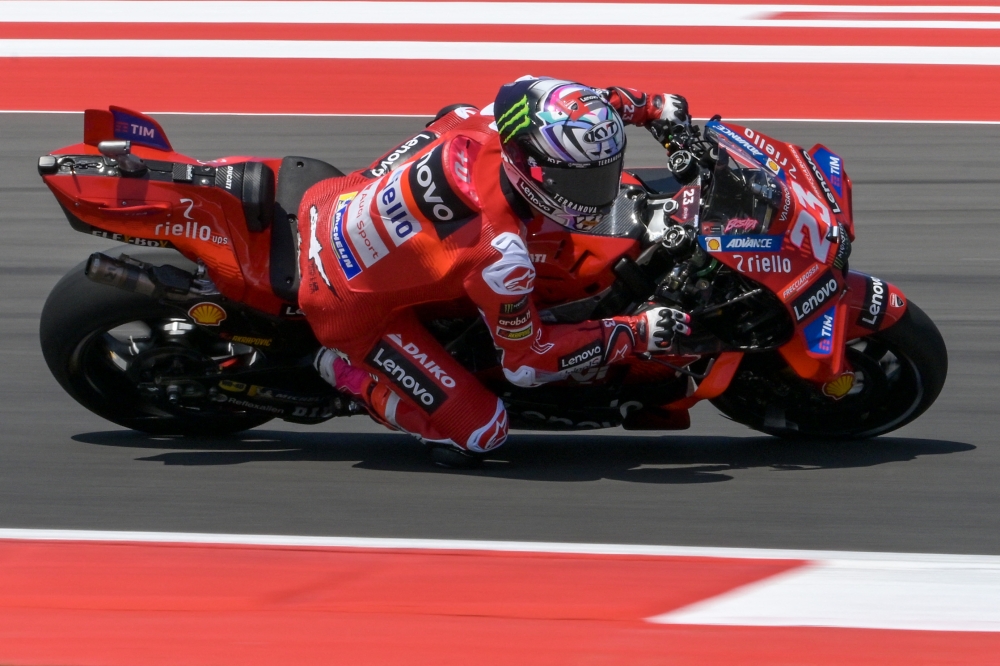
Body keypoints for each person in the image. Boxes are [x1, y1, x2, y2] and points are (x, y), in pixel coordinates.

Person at [299, 76, 692, 465]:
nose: (597, 191)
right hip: (344, 304)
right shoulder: (502, 255)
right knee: (482, 433)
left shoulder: (492, 119)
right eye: (578, 180)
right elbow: (526, 362)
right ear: (527, 164)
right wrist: (633, 332)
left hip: (329, 199)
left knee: (455, 114)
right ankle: (343, 372)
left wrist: (650, 107)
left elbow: (578, 107)